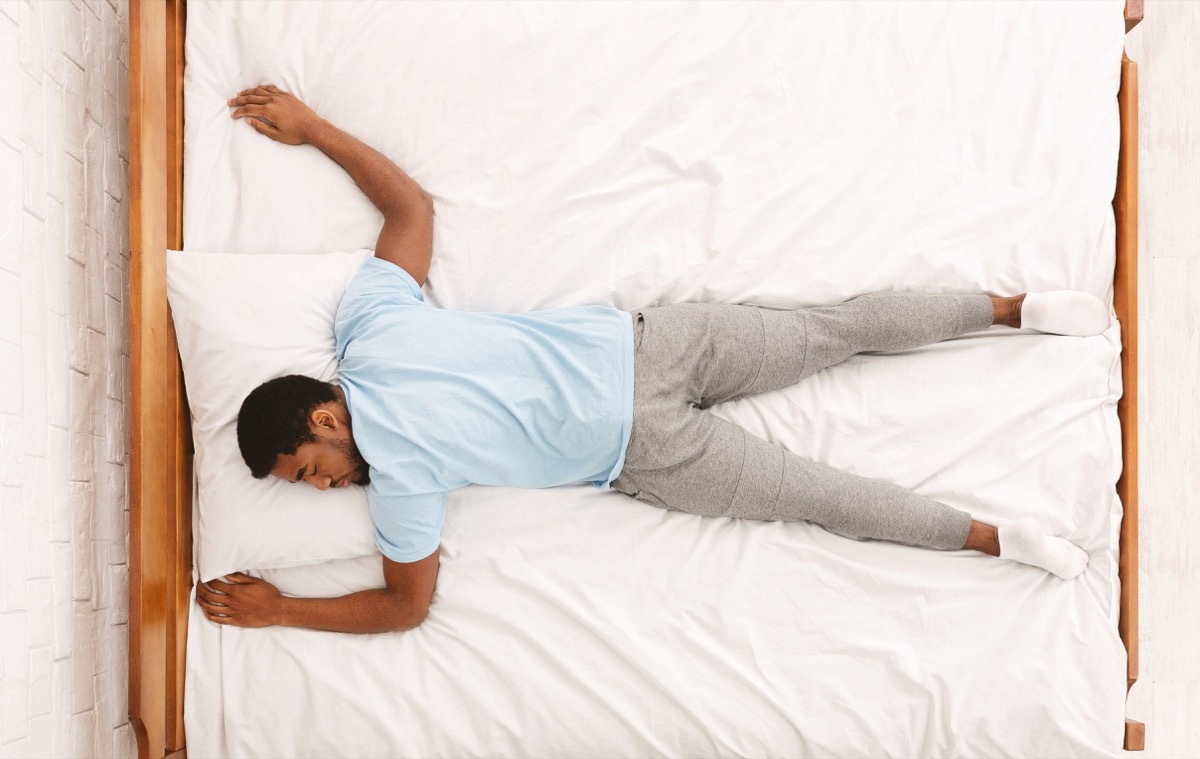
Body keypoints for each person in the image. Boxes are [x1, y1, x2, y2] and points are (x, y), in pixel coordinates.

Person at [197, 86, 1107, 633]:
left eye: (310, 471)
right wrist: (280, 610)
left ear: (324, 415)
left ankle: (1013, 310)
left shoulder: (371, 345)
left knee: (838, 328)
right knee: (822, 496)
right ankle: (995, 538)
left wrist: (318, 128)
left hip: (653, 347)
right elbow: (414, 216)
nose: (324, 488)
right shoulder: (391, 455)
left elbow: (409, 213)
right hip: (646, 448)